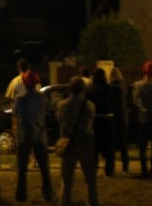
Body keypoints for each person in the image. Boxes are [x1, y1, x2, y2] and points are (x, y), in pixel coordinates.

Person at [13, 69, 55, 203]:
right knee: (44, 167)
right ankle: (48, 193)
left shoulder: (19, 99)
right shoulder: (42, 97)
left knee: (22, 168)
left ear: (24, 83)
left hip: (24, 135)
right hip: (40, 134)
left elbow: (16, 114)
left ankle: (21, 195)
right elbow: (47, 112)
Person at [57, 76, 98, 206]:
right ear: (83, 89)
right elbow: (90, 123)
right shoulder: (90, 106)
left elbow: (60, 120)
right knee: (90, 177)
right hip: (85, 143)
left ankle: (65, 200)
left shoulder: (62, 105)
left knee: (67, 177)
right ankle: (92, 201)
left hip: (68, 144)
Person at [132, 61, 152, 178]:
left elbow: (135, 101)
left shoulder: (137, 85)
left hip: (143, 119)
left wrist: (143, 109)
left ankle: (144, 170)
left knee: (143, 146)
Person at [86, 68, 116, 177]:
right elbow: (114, 103)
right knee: (109, 146)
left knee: (95, 147)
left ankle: (93, 169)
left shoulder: (90, 90)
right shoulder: (109, 89)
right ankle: (109, 170)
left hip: (96, 119)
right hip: (108, 118)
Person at [108, 67, 130, 174]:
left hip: (115, 118)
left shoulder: (112, 87)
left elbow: (111, 102)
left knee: (112, 144)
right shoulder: (124, 86)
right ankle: (125, 167)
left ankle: (112, 167)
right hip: (124, 116)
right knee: (123, 144)